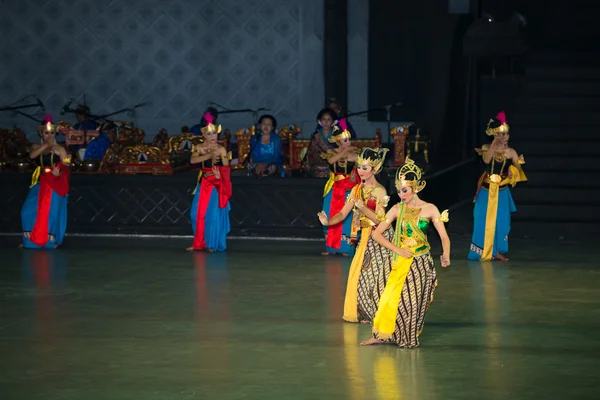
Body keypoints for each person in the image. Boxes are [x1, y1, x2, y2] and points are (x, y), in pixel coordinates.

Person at [360, 157, 451, 348]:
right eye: (399, 190)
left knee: (411, 302)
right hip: (399, 259)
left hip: (420, 262)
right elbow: (377, 234)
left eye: (405, 190)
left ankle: (407, 338)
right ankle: (381, 334)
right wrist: (397, 249)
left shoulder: (430, 209)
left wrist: (446, 254)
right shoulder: (395, 209)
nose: (401, 194)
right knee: (386, 297)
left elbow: (444, 237)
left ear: (415, 187)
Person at [318, 148, 394, 323]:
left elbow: (381, 220)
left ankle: (377, 312)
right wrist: (327, 222)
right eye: (359, 166)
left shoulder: (380, 191)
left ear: (374, 170)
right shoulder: (356, 190)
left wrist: (363, 208)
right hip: (365, 237)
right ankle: (366, 311)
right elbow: (342, 214)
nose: (360, 171)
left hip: (379, 237)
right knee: (359, 276)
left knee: (376, 276)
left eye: (365, 168)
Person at [468, 111, 527, 261]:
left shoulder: (511, 152)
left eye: (507, 134)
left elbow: (518, 171)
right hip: (486, 190)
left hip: (502, 191)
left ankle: (496, 251)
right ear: (495, 135)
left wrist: (514, 171)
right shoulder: (487, 147)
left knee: (501, 221)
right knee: (481, 219)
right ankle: (480, 251)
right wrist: (494, 146)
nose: (505, 137)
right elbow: (487, 161)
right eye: (501, 134)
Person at [21, 116, 71, 249]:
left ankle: (50, 242)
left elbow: (66, 167)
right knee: (27, 210)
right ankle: (30, 241)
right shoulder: (36, 146)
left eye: (52, 132)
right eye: (46, 132)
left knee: (50, 211)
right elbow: (32, 156)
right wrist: (45, 145)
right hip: (39, 181)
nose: (49, 135)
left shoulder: (61, 149)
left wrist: (59, 173)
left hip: (53, 181)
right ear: (41, 133)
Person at [187, 112, 231, 252]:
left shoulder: (221, 149)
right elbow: (192, 160)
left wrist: (220, 177)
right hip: (203, 183)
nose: (213, 137)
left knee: (212, 215)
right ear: (205, 135)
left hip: (216, 184)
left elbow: (226, 168)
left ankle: (211, 243)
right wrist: (208, 155)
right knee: (195, 214)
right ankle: (198, 243)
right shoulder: (199, 148)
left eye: (215, 133)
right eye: (210, 134)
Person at [320, 119, 359, 256]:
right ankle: (331, 247)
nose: (348, 143)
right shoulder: (332, 153)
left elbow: (361, 166)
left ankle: (346, 248)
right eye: (344, 141)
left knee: (347, 217)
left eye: (349, 140)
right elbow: (331, 161)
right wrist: (344, 151)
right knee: (329, 214)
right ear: (338, 142)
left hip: (348, 188)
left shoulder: (354, 154)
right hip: (333, 187)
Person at [304, 108, 338, 178]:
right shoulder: (315, 136)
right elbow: (311, 153)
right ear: (319, 121)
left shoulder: (337, 136)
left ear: (333, 122)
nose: (326, 122)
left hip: (332, 166)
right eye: (324, 119)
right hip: (317, 166)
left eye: (328, 119)